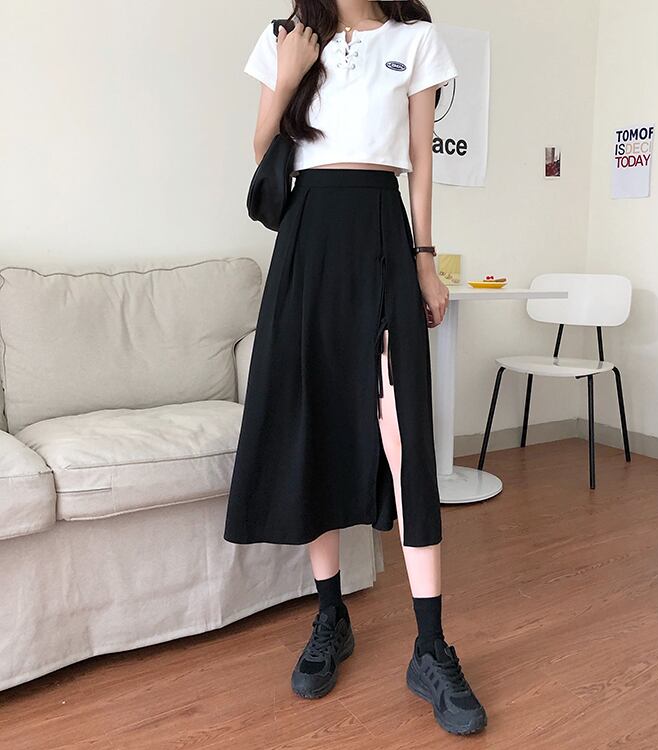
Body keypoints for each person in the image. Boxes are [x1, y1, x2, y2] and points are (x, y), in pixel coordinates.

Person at [224, 0, 487, 736]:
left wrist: (426, 260)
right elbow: (261, 150)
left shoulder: (416, 40)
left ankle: (431, 647)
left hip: (381, 231)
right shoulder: (289, 37)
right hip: (307, 240)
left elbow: (423, 160)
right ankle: (330, 614)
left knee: (405, 436)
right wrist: (289, 74)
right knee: (314, 419)